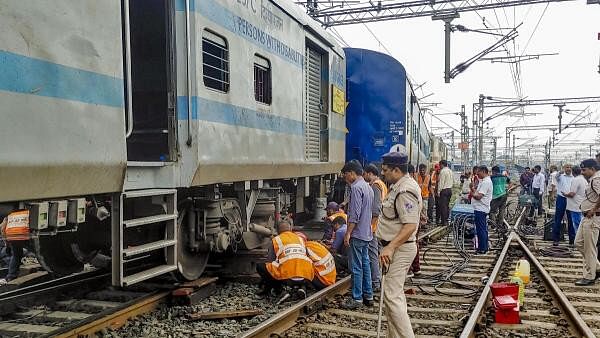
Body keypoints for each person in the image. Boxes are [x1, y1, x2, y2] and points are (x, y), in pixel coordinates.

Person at [377, 151, 421, 338]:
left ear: (396, 170)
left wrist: (390, 246)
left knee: (392, 297)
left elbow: (410, 226)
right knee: (391, 297)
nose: (382, 172)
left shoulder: (405, 191)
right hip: (394, 248)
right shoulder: (398, 186)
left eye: (385, 170)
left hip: (399, 249)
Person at [341, 161, 374, 309]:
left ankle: (357, 298)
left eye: (346, 175)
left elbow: (354, 215)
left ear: (352, 173)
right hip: (367, 233)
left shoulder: (355, 188)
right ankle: (368, 295)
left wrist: (348, 233)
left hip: (358, 233)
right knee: (365, 264)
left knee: (356, 267)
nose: (345, 178)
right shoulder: (368, 187)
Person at [256, 219, 314, 296]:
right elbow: (306, 256)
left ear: (278, 231)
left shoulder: (276, 240)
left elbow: (270, 261)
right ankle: (302, 287)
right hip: (307, 275)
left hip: (287, 278)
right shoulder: (300, 239)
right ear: (290, 229)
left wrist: (265, 282)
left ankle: (280, 290)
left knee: (261, 266)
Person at [573, 159, 600, 286]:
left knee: (590, 248)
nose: (582, 172)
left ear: (592, 169)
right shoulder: (592, 179)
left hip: (593, 217)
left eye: (584, 170)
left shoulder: (596, 179)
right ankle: (597, 267)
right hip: (587, 217)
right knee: (578, 243)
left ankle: (589, 276)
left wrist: (594, 209)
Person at [364, 164, 388, 292]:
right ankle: (378, 279)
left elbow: (376, 209)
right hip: (381, 225)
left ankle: (375, 282)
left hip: (375, 226)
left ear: (369, 173)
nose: (364, 176)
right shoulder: (382, 184)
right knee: (378, 253)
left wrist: (369, 225)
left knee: (372, 254)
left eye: (365, 174)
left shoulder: (375, 186)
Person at [0, 210, 30, 285]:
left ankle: (11, 276)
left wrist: (7, 244)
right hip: (24, 233)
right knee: (28, 252)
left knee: (16, 255)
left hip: (12, 235)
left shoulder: (10, 213)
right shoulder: (28, 212)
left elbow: (2, 228)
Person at [470, 166, 493, 254]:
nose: (477, 174)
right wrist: (472, 189)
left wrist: (472, 193)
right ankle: (484, 247)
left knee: (481, 229)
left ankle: (482, 248)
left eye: (478, 172)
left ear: (483, 171)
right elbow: (478, 192)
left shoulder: (486, 182)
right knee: (482, 229)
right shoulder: (483, 181)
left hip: (481, 208)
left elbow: (479, 196)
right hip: (480, 208)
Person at [564, 166, 586, 246]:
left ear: (573, 172)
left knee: (576, 225)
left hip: (575, 206)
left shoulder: (575, 180)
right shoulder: (583, 179)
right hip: (580, 204)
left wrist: (565, 194)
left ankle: (578, 242)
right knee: (579, 224)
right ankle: (579, 241)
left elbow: (572, 194)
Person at [553, 164, 574, 246]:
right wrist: (560, 171)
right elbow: (556, 176)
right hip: (561, 198)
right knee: (558, 218)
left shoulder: (574, 177)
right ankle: (556, 239)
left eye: (570, 167)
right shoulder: (560, 176)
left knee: (570, 219)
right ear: (564, 168)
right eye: (567, 167)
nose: (568, 169)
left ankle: (572, 240)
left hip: (570, 199)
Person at [437, 160, 453, 226]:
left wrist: (438, 191)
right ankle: (446, 220)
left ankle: (443, 222)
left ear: (442, 164)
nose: (439, 166)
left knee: (443, 206)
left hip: (444, 190)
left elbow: (441, 182)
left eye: (440, 165)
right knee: (447, 206)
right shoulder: (450, 171)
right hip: (449, 190)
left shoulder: (443, 171)